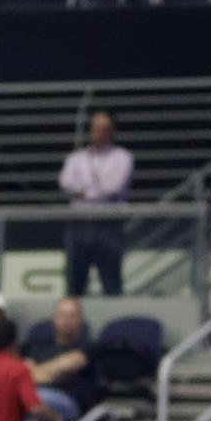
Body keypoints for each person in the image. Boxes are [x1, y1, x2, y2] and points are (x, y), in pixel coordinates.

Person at [58, 109, 133, 296]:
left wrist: (84, 194)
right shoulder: (76, 158)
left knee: (111, 281)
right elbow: (65, 183)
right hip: (80, 225)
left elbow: (113, 188)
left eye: (105, 129)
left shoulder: (123, 157)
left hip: (109, 225)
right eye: (96, 128)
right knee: (75, 280)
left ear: (112, 131)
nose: (100, 133)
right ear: (90, 130)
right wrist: (95, 193)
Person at [23, 297, 96, 421]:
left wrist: (37, 372)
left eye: (72, 316)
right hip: (37, 398)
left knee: (34, 400)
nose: (67, 320)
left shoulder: (87, 346)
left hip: (70, 400)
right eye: (62, 315)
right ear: (54, 318)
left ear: (81, 320)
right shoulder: (40, 346)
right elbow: (24, 374)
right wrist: (53, 372)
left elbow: (70, 364)